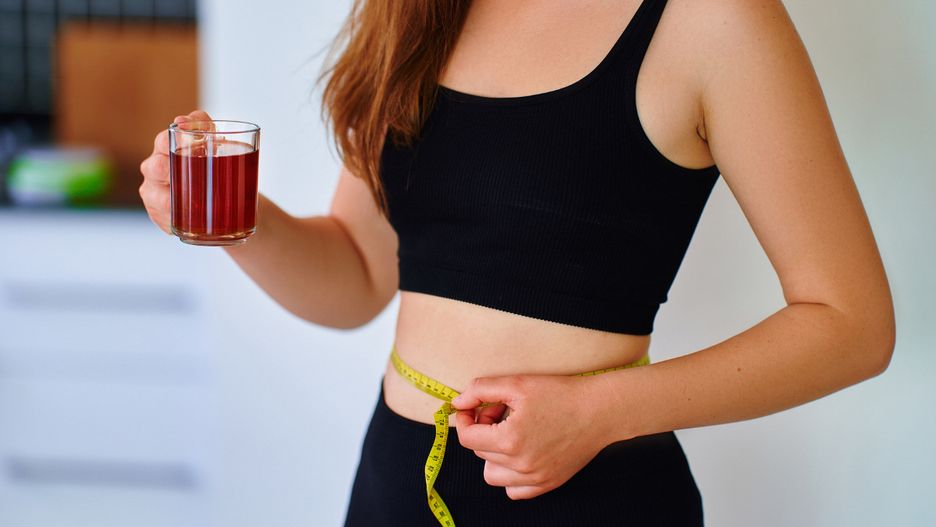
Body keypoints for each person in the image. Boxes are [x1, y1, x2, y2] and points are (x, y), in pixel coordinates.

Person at [139, 0, 896, 525]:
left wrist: (598, 411)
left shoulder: (713, 21)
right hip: (393, 489)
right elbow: (360, 276)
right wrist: (235, 220)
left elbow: (852, 323)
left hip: (592, 501)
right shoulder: (414, 13)